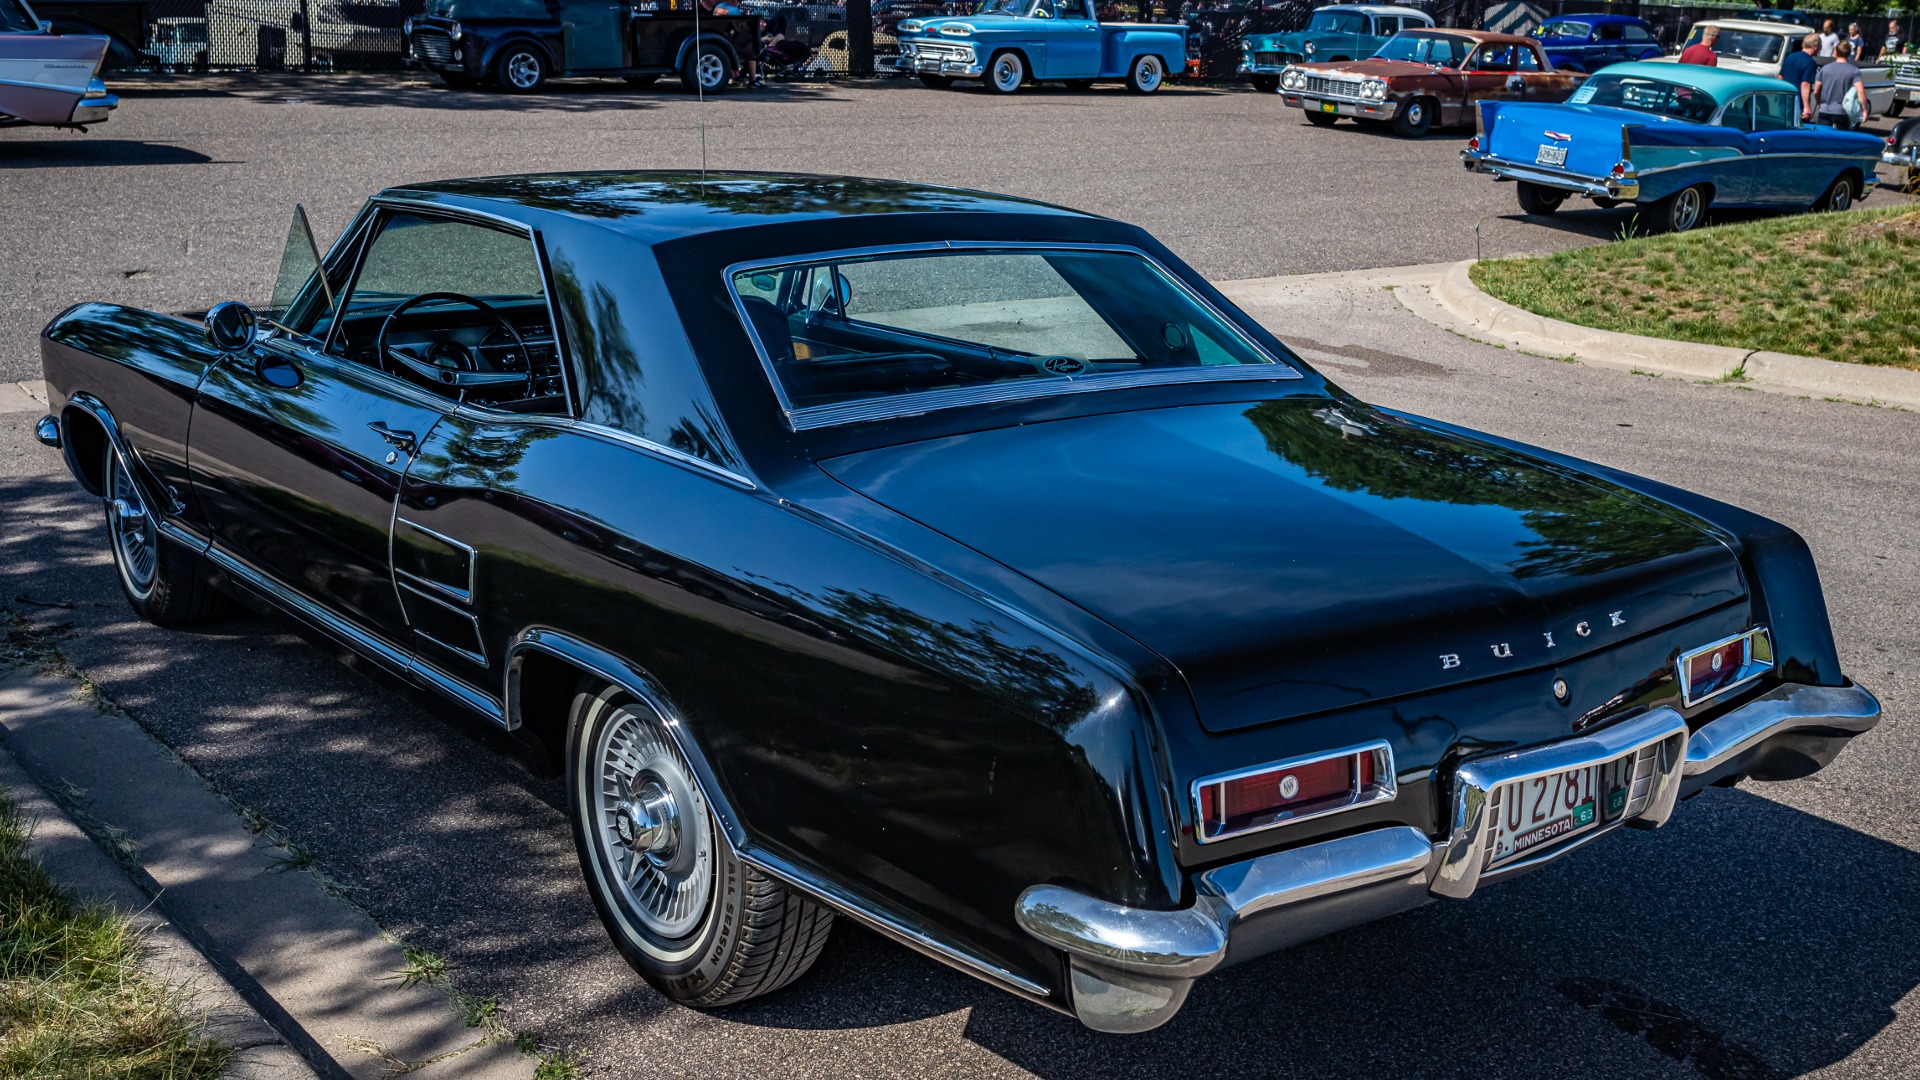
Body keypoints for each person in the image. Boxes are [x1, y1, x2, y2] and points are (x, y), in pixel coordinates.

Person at [1815, 40, 1870, 131]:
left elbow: (1816, 90)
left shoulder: (1824, 69)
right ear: (1849, 53)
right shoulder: (1854, 71)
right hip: (1842, 111)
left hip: (1824, 110)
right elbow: (1860, 91)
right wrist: (1864, 110)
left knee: (1822, 138)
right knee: (1842, 140)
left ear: (1835, 51)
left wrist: (1819, 103)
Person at [1781, 32, 1821, 121]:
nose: (1820, 47)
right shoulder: (1810, 62)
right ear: (1814, 46)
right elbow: (1805, 84)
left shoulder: (1789, 57)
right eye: (1820, 45)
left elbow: (1780, 77)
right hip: (1797, 102)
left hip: (1784, 100)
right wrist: (1806, 107)